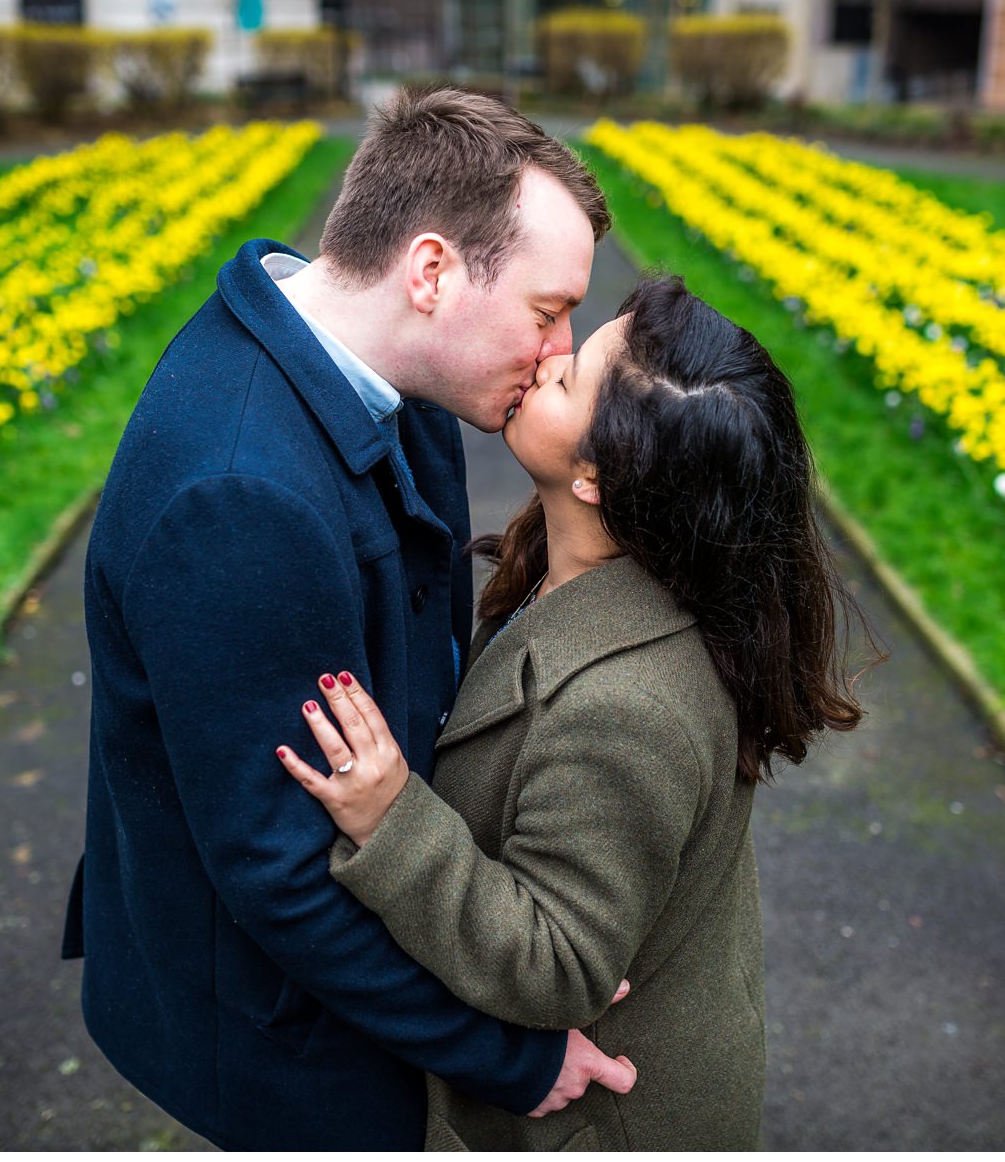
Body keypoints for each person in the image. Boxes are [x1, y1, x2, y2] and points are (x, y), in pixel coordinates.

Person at [61, 86, 640, 1150]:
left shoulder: (377, 364)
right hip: (290, 1033)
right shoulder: (240, 500)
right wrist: (510, 1052)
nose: (560, 349)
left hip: (369, 941)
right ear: (430, 272)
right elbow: (282, 873)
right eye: (548, 309)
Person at [276, 276, 879, 1150]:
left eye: (569, 379)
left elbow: (559, 964)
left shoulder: (626, 709)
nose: (548, 355)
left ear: (595, 477)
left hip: (601, 1123)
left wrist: (392, 820)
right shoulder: (591, 572)